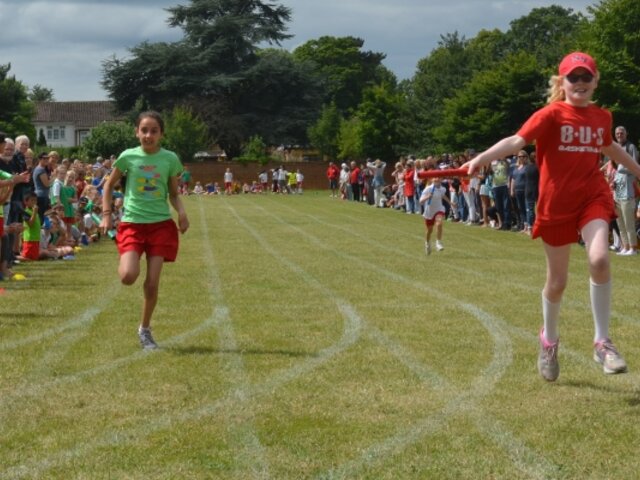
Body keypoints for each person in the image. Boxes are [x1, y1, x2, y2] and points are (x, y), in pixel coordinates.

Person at [465, 52, 640, 381]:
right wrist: (482, 158)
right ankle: (549, 340)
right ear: (562, 82)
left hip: (592, 196)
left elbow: (609, 148)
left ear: (596, 81)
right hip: (556, 203)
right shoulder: (550, 115)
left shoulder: (602, 117)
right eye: (573, 77)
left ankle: (602, 342)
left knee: (600, 259)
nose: (580, 83)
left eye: (586, 77)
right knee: (557, 283)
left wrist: (638, 170)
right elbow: (517, 140)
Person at [100, 111, 189, 350]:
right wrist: (107, 215)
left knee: (152, 284)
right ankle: (127, 256)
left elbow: (173, 193)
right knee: (128, 276)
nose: (148, 135)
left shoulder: (170, 159)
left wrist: (181, 212)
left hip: (160, 225)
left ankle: (145, 329)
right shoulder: (127, 157)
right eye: (144, 130)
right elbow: (108, 186)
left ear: (161, 134)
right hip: (133, 224)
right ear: (136, 132)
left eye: (154, 131)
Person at [611, 126, 638, 255]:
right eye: (617, 133)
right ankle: (625, 246)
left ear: (626, 133)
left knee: (628, 221)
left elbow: (635, 166)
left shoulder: (631, 147)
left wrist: (621, 170)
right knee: (619, 220)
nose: (619, 135)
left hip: (627, 188)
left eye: (622, 132)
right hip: (617, 187)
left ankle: (633, 247)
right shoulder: (615, 148)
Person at [419, 177, 451, 255]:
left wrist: (451, 203)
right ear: (431, 179)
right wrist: (428, 197)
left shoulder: (443, 189)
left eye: (438, 178)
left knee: (439, 223)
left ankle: (438, 242)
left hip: (439, 209)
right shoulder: (428, 189)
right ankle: (427, 243)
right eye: (435, 178)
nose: (437, 179)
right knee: (429, 231)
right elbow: (421, 201)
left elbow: (443, 196)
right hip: (429, 211)